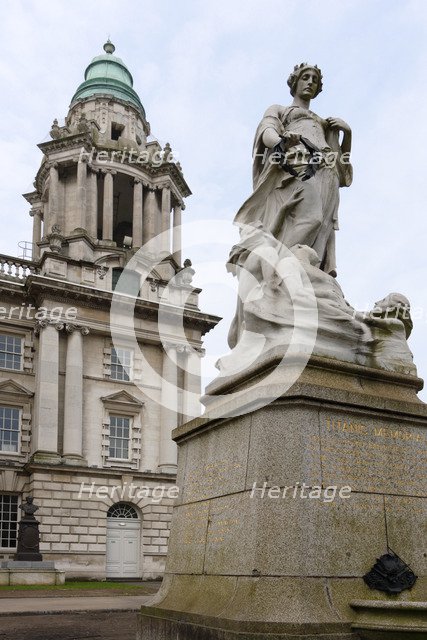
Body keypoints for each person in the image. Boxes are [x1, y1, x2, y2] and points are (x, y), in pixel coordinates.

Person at [234, 63, 352, 277]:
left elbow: (343, 165)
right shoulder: (280, 109)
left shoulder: (325, 123)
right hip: (299, 163)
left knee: (322, 228)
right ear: (295, 81)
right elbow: (266, 130)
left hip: (328, 171)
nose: (310, 82)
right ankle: (275, 267)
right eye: (305, 77)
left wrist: (348, 134)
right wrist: (280, 143)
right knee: (312, 217)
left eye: (314, 80)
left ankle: (308, 273)